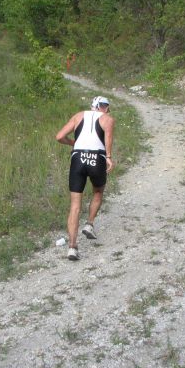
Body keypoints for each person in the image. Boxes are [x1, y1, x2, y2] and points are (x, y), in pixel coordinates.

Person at [55, 96, 115, 260]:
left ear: (92, 105)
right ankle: (89, 224)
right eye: (107, 107)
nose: (107, 110)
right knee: (98, 191)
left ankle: (72, 247)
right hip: (97, 158)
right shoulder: (108, 119)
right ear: (103, 107)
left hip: (78, 159)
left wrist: (73, 143)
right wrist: (109, 157)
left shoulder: (78, 116)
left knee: (75, 205)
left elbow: (59, 136)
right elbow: (108, 139)